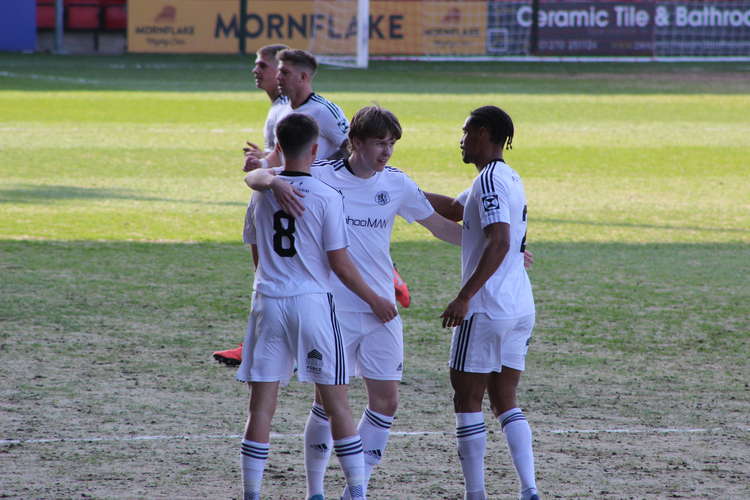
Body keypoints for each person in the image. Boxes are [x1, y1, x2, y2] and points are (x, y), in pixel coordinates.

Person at [245, 105, 463, 500]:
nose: (387, 152)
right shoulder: (320, 176)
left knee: (387, 400)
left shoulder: (396, 184)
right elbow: (259, 178)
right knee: (329, 403)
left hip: (382, 309)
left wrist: (501, 244)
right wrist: (269, 178)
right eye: (380, 143)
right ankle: (316, 490)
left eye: (392, 144)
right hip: (332, 310)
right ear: (356, 142)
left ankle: (353, 488)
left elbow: (442, 227)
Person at [237, 112, 397, 500]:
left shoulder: (261, 195)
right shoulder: (327, 195)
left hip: (268, 300)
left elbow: (256, 252)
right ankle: (357, 490)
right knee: (336, 402)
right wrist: (375, 297)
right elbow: (340, 263)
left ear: (277, 148)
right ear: (313, 149)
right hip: (313, 303)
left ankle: (252, 493)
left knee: (261, 407)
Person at [428, 105, 540, 500]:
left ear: (485, 134)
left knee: (467, 399)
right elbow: (457, 212)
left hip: (487, 307)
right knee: (505, 400)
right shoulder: (504, 176)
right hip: (519, 306)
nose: (460, 138)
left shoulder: (489, 181)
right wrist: (398, 190)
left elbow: (500, 240)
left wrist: (464, 296)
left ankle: (475, 494)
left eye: (466, 131)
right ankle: (529, 489)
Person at [244, 48, 349, 171]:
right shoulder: (281, 109)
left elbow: (351, 147)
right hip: (290, 184)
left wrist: (320, 170)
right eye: (278, 71)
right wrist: (261, 164)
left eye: (285, 72)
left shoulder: (323, 110)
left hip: (317, 187)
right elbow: (279, 153)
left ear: (303, 77)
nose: (278, 77)